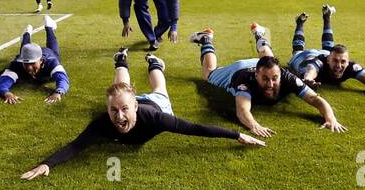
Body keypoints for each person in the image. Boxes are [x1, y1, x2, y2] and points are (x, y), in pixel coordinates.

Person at [21, 49, 265, 180]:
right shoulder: (104, 122)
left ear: (135, 108)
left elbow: (195, 128)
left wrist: (237, 136)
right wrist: (47, 163)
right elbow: (76, 146)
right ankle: (121, 61)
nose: (118, 116)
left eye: (124, 110)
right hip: (132, 98)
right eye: (113, 110)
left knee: (160, 89)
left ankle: (155, 63)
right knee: (121, 89)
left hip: (155, 104)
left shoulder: (156, 119)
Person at [191, 24, 345, 135]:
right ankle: (206, 39)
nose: (270, 84)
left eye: (274, 79)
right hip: (237, 69)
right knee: (208, 73)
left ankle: (258, 32)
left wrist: (330, 118)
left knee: (269, 59)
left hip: (263, 64)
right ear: (257, 75)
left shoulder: (286, 77)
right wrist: (254, 126)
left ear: (280, 75)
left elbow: (316, 99)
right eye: (265, 79)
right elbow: (242, 110)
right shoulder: (245, 81)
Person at [288, 5, 365, 102]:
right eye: (335, 61)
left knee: (330, 49)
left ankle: (326, 17)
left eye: (343, 61)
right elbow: (311, 70)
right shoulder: (318, 63)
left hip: (325, 53)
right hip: (306, 57)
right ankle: (299, 23)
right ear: (328, 60)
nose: (339, 65)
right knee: (298, 52)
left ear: (348, 61)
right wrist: (308, 80)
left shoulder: (350, 66)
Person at [0, 15, 70, 104]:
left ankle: (49, 27)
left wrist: (58, 92)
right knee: (25, 49)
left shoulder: (52, 61)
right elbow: (2, 82)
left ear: (41, 60)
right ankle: (26, 33)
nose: (29, 68)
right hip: (26, 55)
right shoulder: (17, 64)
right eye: (26, 63)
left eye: (32, 63)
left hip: (49, 52)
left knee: (55, 52)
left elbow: (63, 79)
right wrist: (6, 93)